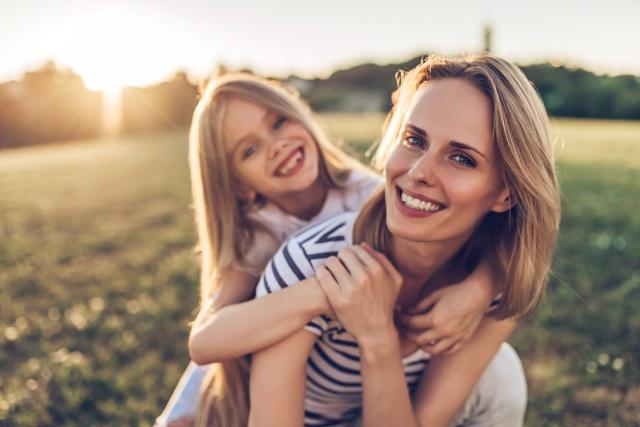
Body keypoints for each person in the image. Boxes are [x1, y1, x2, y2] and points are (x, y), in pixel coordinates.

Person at [155, 73, 501, 427]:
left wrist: (481, 287)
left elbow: (474, 236)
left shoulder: (366, 193)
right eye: (249, 149)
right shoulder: (260, 232)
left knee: (501, 369)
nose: (275, 146)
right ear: (240, 187)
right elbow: (205, 342)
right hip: (268, 373)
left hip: (348, 371)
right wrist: (322, 291)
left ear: (302, 116)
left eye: (277, 123)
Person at [249, 54, 561, 427]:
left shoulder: (497, 283)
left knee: (501, 373)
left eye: (461, 158)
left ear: (505, 195)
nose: (418, 172)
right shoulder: (314, 262)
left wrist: (378, 341)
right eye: (414, 139)